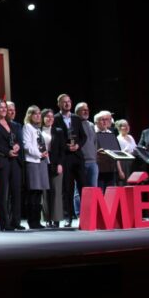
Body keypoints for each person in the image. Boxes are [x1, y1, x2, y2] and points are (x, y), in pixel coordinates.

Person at [0, 98, 24, 231]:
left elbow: (17, 139)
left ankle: (16, 221)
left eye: (5, 108)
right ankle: (4, 223)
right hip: (2, 161)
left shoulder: (12, 124)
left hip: (15, 161)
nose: (3, 110)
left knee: (16, 192)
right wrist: (7, 151)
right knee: (3, 193)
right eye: (1, 108)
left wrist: (18, 146)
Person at [53, 93, 86, 227]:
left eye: (68, 101)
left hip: (77, 157)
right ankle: (68, 217)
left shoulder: (76, 118)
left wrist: (78, 145)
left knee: (83, 186)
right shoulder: (55, 118)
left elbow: (83, 137)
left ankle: (85, 215)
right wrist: (64, 146)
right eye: (64, 102)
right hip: (65, 157)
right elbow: (54, 138)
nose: (67, 104)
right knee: (67, 189)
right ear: (59, 104)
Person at [22, 106, 49, 230]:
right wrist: (39, 154)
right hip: (33, 162)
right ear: (29, 115)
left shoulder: (38, 129)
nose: (38, 116)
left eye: (39, 114)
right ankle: (32, 221)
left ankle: (37, 221)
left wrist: (45, 155)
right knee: (33, 193)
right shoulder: (27, 127)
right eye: (35, 114)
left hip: (41, 162)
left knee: (39, 193)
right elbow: (26, 145)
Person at [41, 108, 65, 227]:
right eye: (47, 117)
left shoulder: (58, 131)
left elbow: (62, 150)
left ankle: (56, 219)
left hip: (56, 163)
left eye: (52, 117)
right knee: (45, 192)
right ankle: (47, 219)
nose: (50, 119)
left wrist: (60, 164)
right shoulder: (38, 130)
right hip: (42, 162)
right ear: (42, 118)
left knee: (56, 191)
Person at [94, 110, 124, 190]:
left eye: (106, 120)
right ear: (96, 122)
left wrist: (120, 170)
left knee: (110, 193)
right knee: (99, 192)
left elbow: (117, 153)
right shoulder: (93, 133)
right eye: (102, 120)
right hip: (98, 169)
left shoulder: (110, 133)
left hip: (111, 169)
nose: (105, 122)